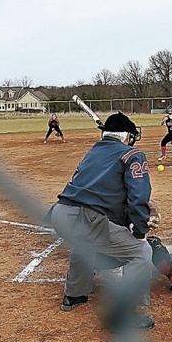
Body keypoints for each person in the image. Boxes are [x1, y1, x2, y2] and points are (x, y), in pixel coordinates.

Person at [50, 112, 157, 329]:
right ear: (127, 136)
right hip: (88, 217)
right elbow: (138, 196)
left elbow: (100, 193)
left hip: (60, 214)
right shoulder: (132, 154)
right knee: (141, 252)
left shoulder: (92, 152)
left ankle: (75, 295)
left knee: (85, 243)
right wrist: (140, 227)